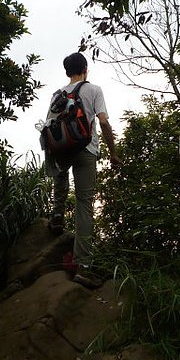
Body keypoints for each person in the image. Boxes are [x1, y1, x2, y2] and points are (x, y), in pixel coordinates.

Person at [45, 52, 121, 289]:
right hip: (86, 149)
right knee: (85, 204)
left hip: (62, 149)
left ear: (67, 71)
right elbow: (104, 121)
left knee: (60, 174)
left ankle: (57, 215)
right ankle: (84, 266)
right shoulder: (93, 89)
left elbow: (49, 126)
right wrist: (113, 152)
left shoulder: (57, 94)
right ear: (85, 68)